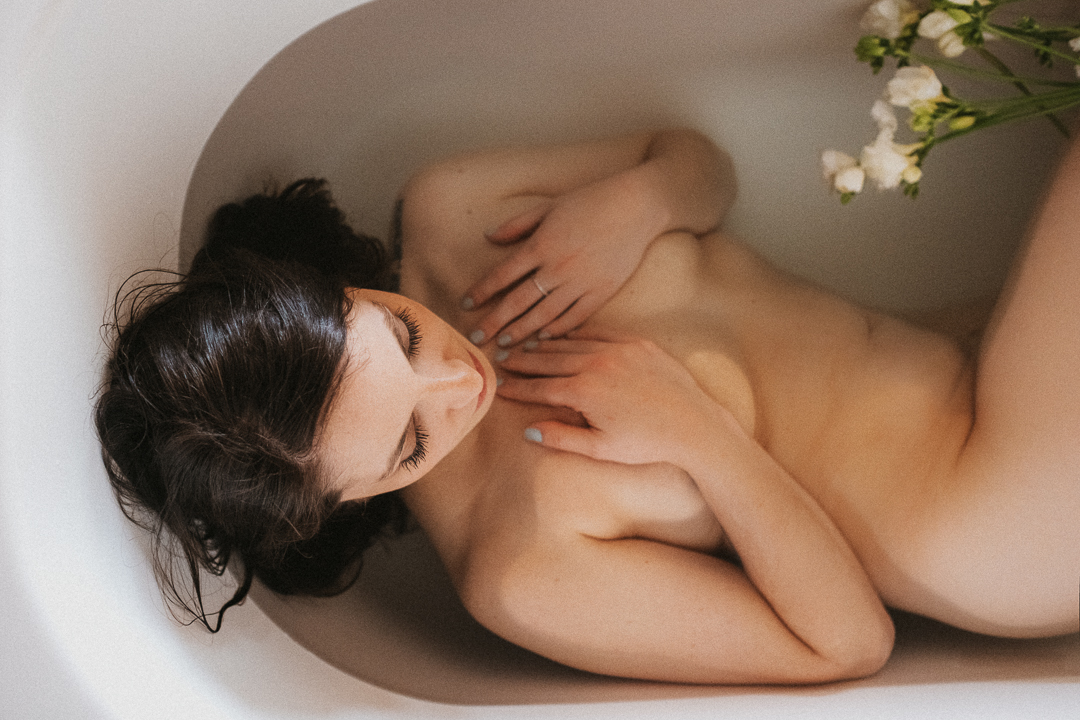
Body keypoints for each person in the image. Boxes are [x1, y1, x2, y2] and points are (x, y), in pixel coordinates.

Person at [96, 127, 1079, 686]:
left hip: (984, 343)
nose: (458, 382)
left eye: (399, 336)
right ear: (337, 505)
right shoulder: (521, 565)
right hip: (983, 514)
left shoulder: (451, 212)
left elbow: (703, 162)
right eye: (407, 442)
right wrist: (700, 435)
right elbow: (844, 646)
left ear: (330, 292)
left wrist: (645, 200)